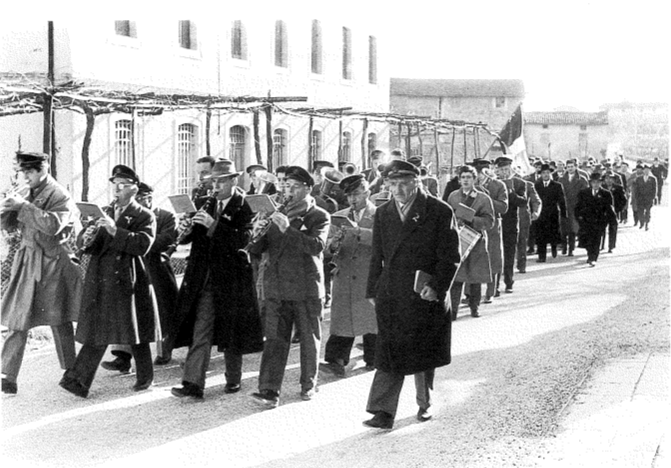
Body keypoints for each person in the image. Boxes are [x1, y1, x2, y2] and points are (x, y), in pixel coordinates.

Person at [363, 160, 460, 430]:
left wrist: (438, 287)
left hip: (424, 292)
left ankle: (424, 403)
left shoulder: (439, 211)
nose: (398, 189)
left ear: (417, 182)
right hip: (392, 292)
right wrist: (373, 289)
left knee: (422, 351)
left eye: (404, 183)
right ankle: (382, 411)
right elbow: (377, 255)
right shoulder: (383, 213)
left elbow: (450, 256)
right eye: (393, 184)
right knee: (389, 350)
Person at [169, 160, 263, 399]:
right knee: (201, 329)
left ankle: (233, 378)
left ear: (234, 180)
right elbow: (190, 240)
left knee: (231, 331)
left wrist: (213, 226)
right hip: (204, 278)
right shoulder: (204, 203)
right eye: (214, 181)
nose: (216, 185)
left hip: (231, 279)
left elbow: (245, 239)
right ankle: (193, 383)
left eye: (221, 180)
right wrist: (186, 229)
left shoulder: (246, 206)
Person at [60, 165, 156, 398]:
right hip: (100, 278)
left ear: (134, 189)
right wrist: (88, 234)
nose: (117, 190)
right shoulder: (103, 211)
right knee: (97, 329)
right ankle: (78, 380)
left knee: (134, 330)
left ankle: (145, 377)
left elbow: (143, 245)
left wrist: (115, 230)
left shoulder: (145, 215)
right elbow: (87, 245)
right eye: (115, 185)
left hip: (126, 278)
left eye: (123, 185)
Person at [1, 152, 81, 395]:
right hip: (28, 260)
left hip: (52, 264)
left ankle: (71, 369)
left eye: (30, 172)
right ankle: (7, 374)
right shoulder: (27, 193)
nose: (26, 177)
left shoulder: (60, 195)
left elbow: (52, 226)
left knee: (59, 319)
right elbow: (14, 226)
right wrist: (6, 211)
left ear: (43, 169)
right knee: (18, 317)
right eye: (23, 172)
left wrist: (23, 207)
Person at [250, 166, 330, 408]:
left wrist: (287, 229)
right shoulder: (276, 211)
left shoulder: (318, 215)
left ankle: (308, 384)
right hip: (277, 286)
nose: (289, 192)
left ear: (308, 188)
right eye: (286, 187)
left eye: (295, 187)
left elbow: (316, 246)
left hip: (305, 287)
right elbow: (257, 249)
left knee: (308, 339)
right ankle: (269, 390)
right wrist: (256, 233)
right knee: (274, 339)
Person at [102, 182, 179, 370]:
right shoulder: (130, 215)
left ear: (149, 198)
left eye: (141, 198)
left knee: (162, 312)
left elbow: (165, 239)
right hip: (134, 270)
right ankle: (123, 357)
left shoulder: (166, 216)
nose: (137, 202)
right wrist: (130, 240)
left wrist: (135, 242)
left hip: (157, 270)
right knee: (129, 314)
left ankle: (164, 351)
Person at [320, 174, 377, 377]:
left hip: (367, 273)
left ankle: (374, 357)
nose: (352, 199)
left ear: (367, 193)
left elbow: (383, 242)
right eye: (349, 196)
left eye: (356, 194)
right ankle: (336, 360)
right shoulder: (339, 215)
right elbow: (327, 248)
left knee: (370, 318)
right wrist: (333, 244)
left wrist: (358, 231)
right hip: (344, 274)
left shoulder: (379, 214)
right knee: (342, 318)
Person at [447, 165, 495, 319]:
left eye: (469, 177)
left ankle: (475, 308)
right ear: (459, 180)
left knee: (475, 277)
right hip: (458, 240)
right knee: (456, 277)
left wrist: (471, 218)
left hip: (476, 240)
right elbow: (447, 216)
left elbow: (490, 221)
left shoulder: (483, 198)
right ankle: (453, 310)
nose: (466, 180)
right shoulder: (453, 196)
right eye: (463, 177)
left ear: (475, 179)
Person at [472, 159, 507, 302]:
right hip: (474, 224)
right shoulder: (471, 186)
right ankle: (471, 294)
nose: (480, 176)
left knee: (493, 258)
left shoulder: (499, 185)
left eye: (483, 172)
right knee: (473, 258)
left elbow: (503, 207)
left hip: (492, 225)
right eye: (478, 173)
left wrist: (486, 198)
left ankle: (491, 291)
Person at [493, 154, 527, 293]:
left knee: (509, 254)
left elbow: (523, 202)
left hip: (511, 224)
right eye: (502, 170)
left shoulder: (519, 183)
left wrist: (511, 192)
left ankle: (508, 281)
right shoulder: (493, 184)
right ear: (497, 171)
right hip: (495, 224)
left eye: (507, 169)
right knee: (495, 255)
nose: (505, 172)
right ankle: (494, 286)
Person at [575, 172, 615, 267]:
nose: (596, 184)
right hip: (586, 221)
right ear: (590, 183)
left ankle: (593, 258)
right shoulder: (583, 193)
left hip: (599, 222)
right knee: (587, 240)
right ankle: (590, 254)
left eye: (598, 182)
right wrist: (579, 218)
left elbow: (610, 209)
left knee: (596, 240)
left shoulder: (606, 194)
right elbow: (577, 207)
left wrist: (609, 221)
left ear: (601, 183)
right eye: (593, 182)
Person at [534, 164, 567, 262]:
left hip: (553, 214)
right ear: (541, 175)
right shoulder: (537, 185)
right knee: (540, 235)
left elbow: (562, 201)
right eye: (543, 173)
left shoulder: (557, 185)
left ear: (550, 174)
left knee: (553, 233)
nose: (545, 175)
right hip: (541, 214)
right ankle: (541, 256)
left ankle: (554, 248)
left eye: (547, 173)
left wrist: (564, 214)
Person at [557, 159, 588, 257]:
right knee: (563, 229)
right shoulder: (561, 179)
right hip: (564, 207)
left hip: (575, 207)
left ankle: (571, 249)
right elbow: (558, 193)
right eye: (568, 167)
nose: (570, 169)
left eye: (572, 166)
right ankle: (564, 246)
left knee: (572, 229)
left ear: (576, 167)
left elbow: (585, 194)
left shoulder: (582, 179)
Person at [515, 174, 541, 274]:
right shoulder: (503, 183)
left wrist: (536, 212)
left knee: (522, 241)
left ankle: (522, 264)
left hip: (523, 218)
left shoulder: (528, 185)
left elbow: (536, 200)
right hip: (508, 219)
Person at [600, 172, 626, 253]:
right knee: (601, 229)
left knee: (613, 228)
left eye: (610, 178)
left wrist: (618, 209)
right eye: (606, 178)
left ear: (614, 179)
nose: (608, 180)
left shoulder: (618, 188)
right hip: (602, 212)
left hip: (614, 212)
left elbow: (623, 200)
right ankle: (601, 245)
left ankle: (611, 246)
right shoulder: (601, 188)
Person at [631, 165, 658, 230]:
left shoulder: (652, 179)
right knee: (640, 211)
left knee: (648, 211)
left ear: (649, 171)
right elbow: (636, 189)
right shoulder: (639, 179)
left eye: (648, 170)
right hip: (640, 198)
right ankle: (641, 222)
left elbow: (654, 189)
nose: (646, 171)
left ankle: (647, 224)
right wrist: (636, 197)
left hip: (649, 198)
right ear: (643, 171)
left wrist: (653, 197)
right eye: (645, 170)